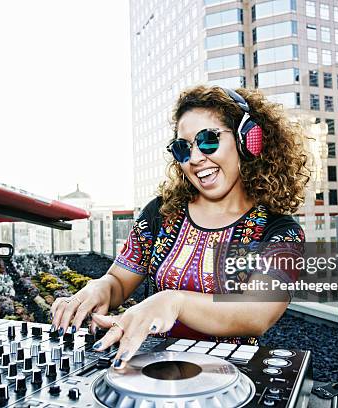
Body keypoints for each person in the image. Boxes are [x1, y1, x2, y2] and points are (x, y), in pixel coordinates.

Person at [51, 85, 310, 369]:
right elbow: (117, 283)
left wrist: (174, 302)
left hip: (233, 381)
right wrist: (97, 289)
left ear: (248, 140)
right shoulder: (160, 213)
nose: (196, 158)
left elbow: (257, 314)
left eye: (208, 140)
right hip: (154, 373)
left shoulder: (280, 231)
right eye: (183, 148)